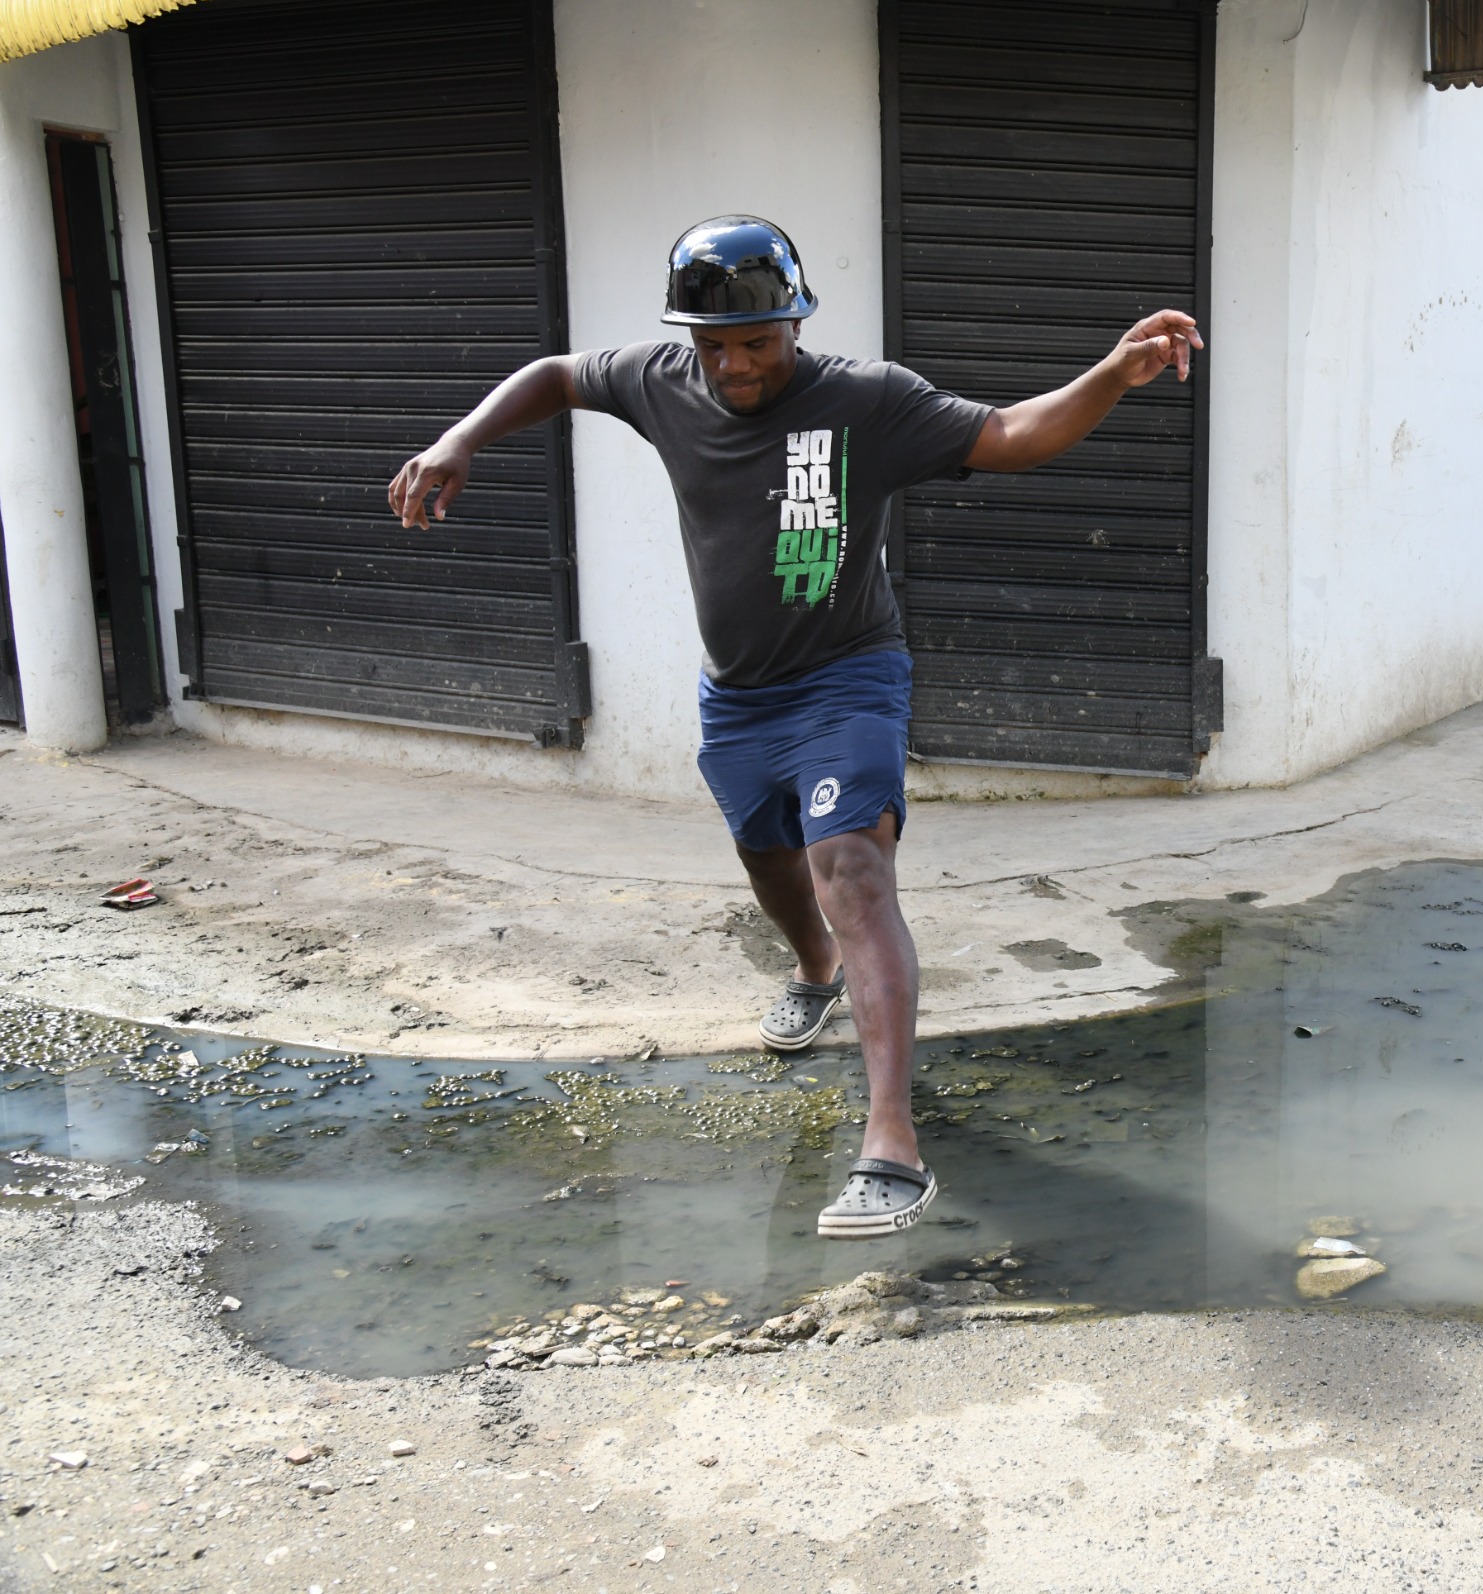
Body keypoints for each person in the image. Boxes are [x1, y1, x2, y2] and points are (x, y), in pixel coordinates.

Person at [385, 215, 1202, 1238]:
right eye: (713, 344)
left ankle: (892, 1142)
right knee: (768, 858)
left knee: (851, 867)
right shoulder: (659, 381)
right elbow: (556, 372)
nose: (732, 365)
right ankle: (815, 972)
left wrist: (1111, 375)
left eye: (756, 343)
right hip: (738, 695)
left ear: (796, 322)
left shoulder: (866, 401)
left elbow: (1009, 435)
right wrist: (458, 438)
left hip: (849, 677)